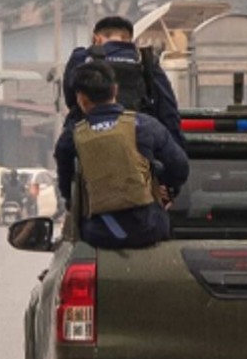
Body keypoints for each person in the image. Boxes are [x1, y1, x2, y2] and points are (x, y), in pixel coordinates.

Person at [54, 61, 189, 248]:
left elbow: (67, 191)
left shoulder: (71, 138)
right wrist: (165, 188)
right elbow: (180, 168)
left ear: (81, 99)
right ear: (115, 90)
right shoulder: (145, 125)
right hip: (149, 230)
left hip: (99, 236)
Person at [62, 15, 183, 147]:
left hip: (91, 138)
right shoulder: (144, 60)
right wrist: (175, 145)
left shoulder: (83, 57)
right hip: (138, 138)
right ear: (129, 39)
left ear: (97, 39)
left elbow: (71, 99)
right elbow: (167, 105)